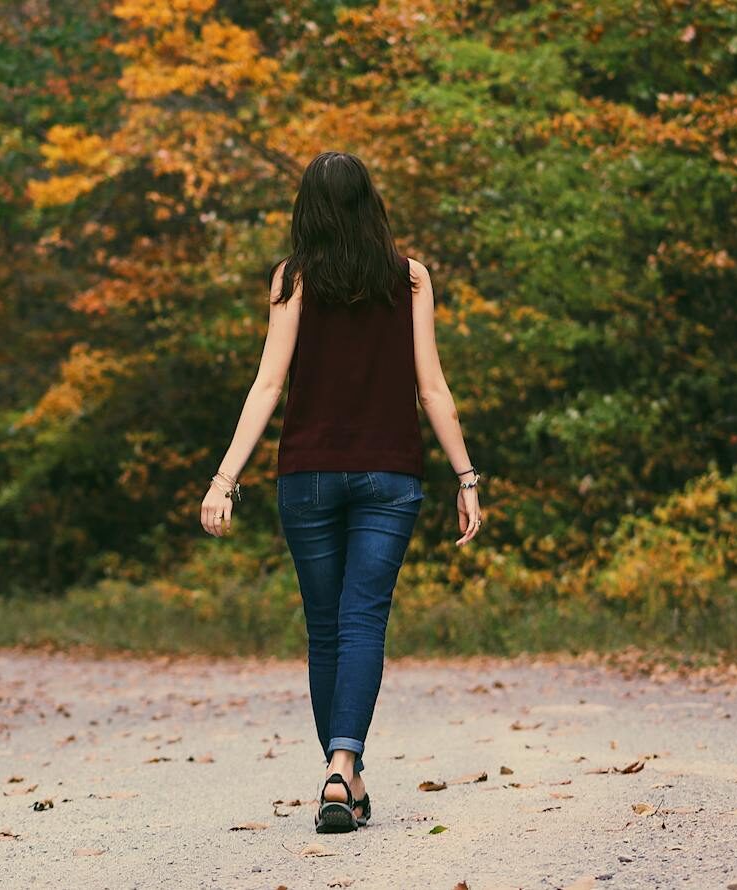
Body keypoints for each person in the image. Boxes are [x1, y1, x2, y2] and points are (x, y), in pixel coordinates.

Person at [197, 150, 483, 833]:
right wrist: (465, 476)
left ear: (308, 210)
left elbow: (268, 384)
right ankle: (344, 766)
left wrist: (224, 478)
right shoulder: (409, 279)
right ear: (370, 204)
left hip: (309, 475)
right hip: (392, 475)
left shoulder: (292, 280)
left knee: (325, 627)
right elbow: (432, 386)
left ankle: (338, 772)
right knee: (362, 622)